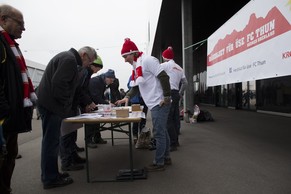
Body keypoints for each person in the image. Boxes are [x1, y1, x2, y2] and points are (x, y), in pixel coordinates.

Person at [36, 46, 97, 189]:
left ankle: (51, 174)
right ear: (83, 55)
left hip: (49, 104)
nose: (89, 65)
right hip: (52, 106)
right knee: (51, 143)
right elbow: (59, 84)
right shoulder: (69, 60)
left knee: (51, 142)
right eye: (90, 61)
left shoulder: (67, 58)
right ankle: (50, 178)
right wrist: (65, 106)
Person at [116, 38, 172, 172]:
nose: (125, 60)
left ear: (133, 53)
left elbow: (164, 77)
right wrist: (127, 96)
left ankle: (159, 163)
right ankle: (166, 158)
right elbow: (136, 87)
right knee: (162, 131)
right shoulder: (137, 66)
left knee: (159, 133)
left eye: (125, 56)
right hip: (155, 103)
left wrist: (167, 97)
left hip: (160, 102)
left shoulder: (147, 61)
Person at [0, 4, 37, 194]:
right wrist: (4, 110)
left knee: (10, 156)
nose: (23, 28)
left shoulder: (12, 45)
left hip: (10, 115)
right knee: (3, 157)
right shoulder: (2, 44)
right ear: (3, 20)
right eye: (20, 23)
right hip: (3, 116)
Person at [59, 54, 103, 172]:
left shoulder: (85, 72)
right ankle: (66, 162)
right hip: (68, 105)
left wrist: (85, 104)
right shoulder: (84, 71)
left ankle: (73, 157)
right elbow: (79, 89)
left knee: (71, 133)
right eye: (97, 69)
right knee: (66, 134)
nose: (96, 72)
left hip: (72, 105)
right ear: (93, 65)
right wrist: (88, 103)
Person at [161, 46, 188, 151]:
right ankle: (175, 140)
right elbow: (185, 83)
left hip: (169, 93)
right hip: (176, 93)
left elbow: (155, 71)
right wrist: (180, 93)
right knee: (175, 117)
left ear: (164, 57)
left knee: (168, 119)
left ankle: (173, 143)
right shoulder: (179, 67)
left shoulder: (166, 65)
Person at [85, 69, 116, 148]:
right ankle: (88, 140)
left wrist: (106, 100)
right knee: (90, 122)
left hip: (94, 103)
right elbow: (96, 97)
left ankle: (97, 138)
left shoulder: (102, 82)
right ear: (107, 78)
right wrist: (108, 104)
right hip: (88, 103)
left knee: (97, 121)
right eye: (111, 80)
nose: (111, 82)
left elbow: (101, 95)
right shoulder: (96, 81)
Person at [127, 75, 148, 142]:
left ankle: (142, 135)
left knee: (143, 119)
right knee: (135, 119)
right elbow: (129, 86)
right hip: (135, 100)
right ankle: (135, 136)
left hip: (144, 100)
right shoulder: (132, 76)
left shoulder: (144, 75)